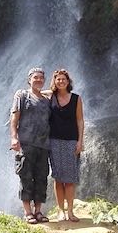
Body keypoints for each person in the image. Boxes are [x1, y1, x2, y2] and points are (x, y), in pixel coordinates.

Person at [10, 66, 51, 223]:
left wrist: (45, 92)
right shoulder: (22, 95)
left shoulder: (46, 100)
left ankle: (38, 211)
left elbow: (54, 92)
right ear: (29, 80)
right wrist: (14, 138)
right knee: (26, 177)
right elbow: (14, 119)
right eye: (35, 77)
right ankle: (28, 212)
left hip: (43, 144)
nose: (38, 79)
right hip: (26, 143)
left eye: (41, 77)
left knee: (41, 177)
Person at [47, 68, 84, 222]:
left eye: (63, 79)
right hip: (54, 141)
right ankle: (61, 211)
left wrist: (80, 141)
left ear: (68, 82)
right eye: (58, 79)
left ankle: (70, 211)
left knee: (69, 179)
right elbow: (35, 92)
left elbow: (80, 120)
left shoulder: (76, 98)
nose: (61, 81)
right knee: (57, 178)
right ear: (54, 82)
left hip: (71, 141)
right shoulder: (50, 97)